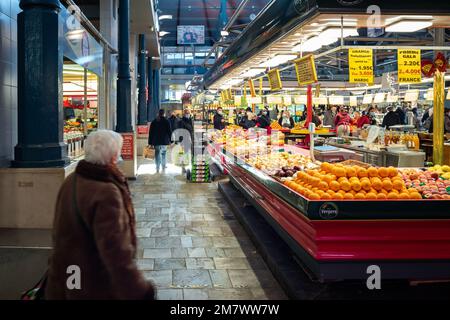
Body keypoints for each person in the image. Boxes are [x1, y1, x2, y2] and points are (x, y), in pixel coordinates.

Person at [45, 130, 156, 300]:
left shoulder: (71, 181)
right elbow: (115, 250)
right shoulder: (106, 192)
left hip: (67, 278)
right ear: (113, 157)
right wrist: (140, 289)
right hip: (94, 284)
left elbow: (58, 234)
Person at [149, 109, 173, 173]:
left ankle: (157, 167)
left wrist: (150, 142)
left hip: (156, 141)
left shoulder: (154, 121)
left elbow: (151, 133)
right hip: (164, 141)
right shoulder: (166, 121)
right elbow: (169, 132)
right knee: (163, 154)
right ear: (164, 114)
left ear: (158, 113)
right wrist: (171, 140)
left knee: (157, 154)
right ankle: (163, 166)